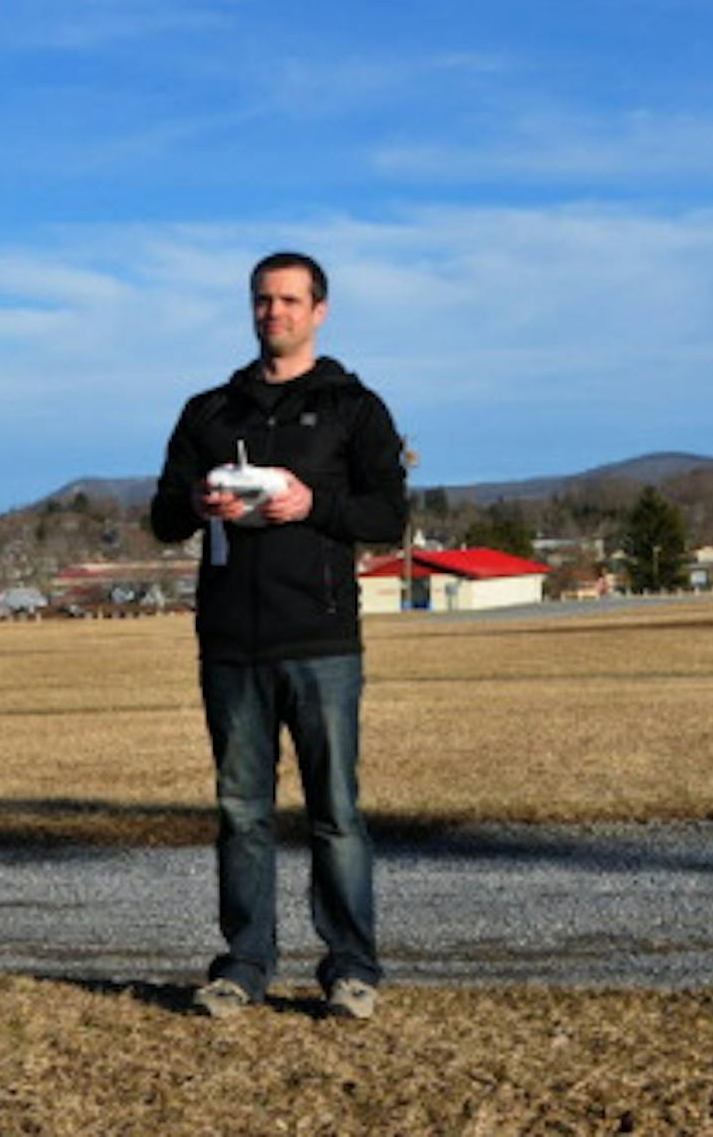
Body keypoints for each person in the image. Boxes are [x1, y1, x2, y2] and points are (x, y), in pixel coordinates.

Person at [150, 252, 408, 1022]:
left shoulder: (353, 409)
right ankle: (243, 964)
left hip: (321, 639)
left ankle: (352, 967)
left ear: (320, 311)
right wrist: (200, 500)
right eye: (264, 301)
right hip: (231, 644)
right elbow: (163, 518)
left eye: (291, 301)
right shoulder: (209, 412)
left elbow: (385, 516)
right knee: (242, 812)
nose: (275, 313)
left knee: (335, 813)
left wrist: (311, 504)